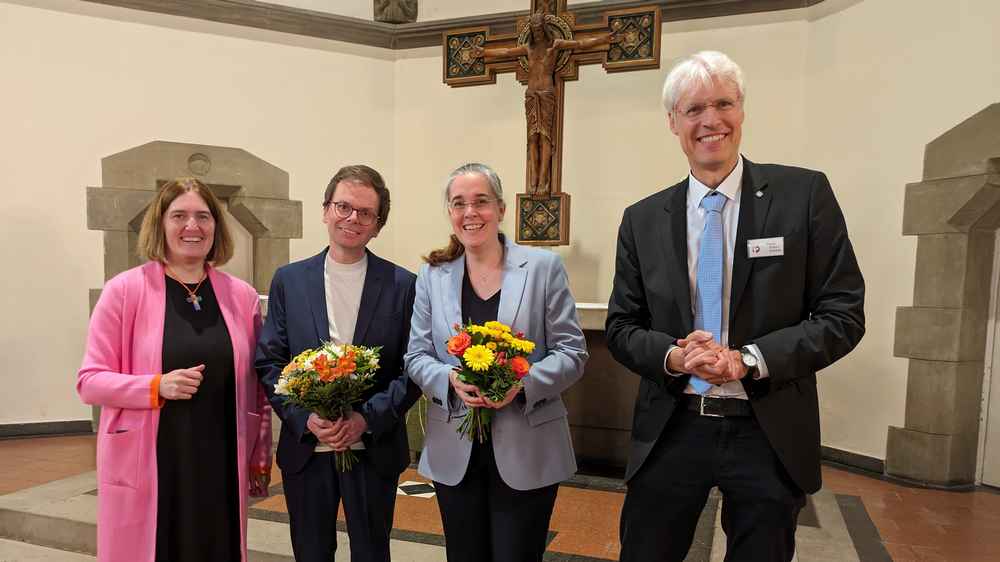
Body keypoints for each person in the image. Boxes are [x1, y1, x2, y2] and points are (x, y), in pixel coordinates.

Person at [605, 51, 865, 562]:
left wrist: (746, 360)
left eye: (723, 103)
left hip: (766, 427)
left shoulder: (803, 194)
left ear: (741, 111)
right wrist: (676, 357)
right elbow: (622, 326)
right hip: (673, 425)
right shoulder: (642, 219)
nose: (710, 121)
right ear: (673, 122)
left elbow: (842, 314)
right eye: (694, 108)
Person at [77, 178, 273, 562]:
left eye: (203, 217)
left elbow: (257, 389)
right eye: (179, 215)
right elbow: (89, 382)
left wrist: (259, 453)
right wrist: (155, 386)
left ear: (216, 227)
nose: (192, 226)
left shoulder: (242, 296)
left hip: (219, 458)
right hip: (154, 458)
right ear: (160, 224)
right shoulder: (124, 292)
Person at [405, 162, 589, 562]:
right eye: (459, 204)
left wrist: (521, 384)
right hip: (455, 446)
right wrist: (449, 378)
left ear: (501, 209)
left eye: (481, 202)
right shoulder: (432, 275)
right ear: (450, 213)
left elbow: (573, 353)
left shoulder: (543, 268)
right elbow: (416, 356)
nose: (470, 212)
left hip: (528, 442)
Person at [255, 165, 420, 562]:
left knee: (371, 552)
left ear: (378, 225)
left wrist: (365, 419)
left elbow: (411, 367)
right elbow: (269, 361)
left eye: (365, 213)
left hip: (373, 447)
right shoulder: (289, 281)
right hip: (307, 446)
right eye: (343, 206)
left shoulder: (403, 285)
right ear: (326, 210)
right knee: (311, 553)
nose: (352, 219)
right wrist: (304, 417)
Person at [473, 13, 614, 196]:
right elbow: (507, 52)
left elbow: (580, 44)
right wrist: (485, 52)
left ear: (545, 28)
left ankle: (544, 180)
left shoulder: (555, 45)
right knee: (532, 138)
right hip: (531, 94)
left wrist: (603, 39)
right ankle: (533, 179)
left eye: (540, 29)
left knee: (545, 137)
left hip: (547, 93)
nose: (537, 33)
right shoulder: (528, 48)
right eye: (534, 29)